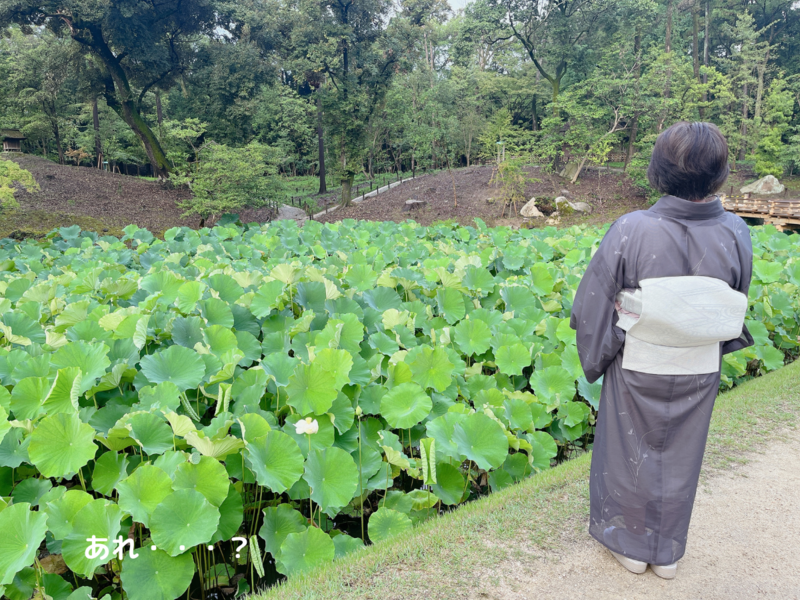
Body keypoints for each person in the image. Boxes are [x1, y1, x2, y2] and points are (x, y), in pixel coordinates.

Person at [569, 121, 754, 579]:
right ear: (720, 174)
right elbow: (735, 296)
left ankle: (629, 546)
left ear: (659, 171)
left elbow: (593, 303)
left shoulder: (631, 228)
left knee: (626, 447)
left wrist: (603, 350)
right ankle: (666, 552)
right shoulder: (735, 230)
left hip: (638, 363)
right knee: (682, 454)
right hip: (699, 364)